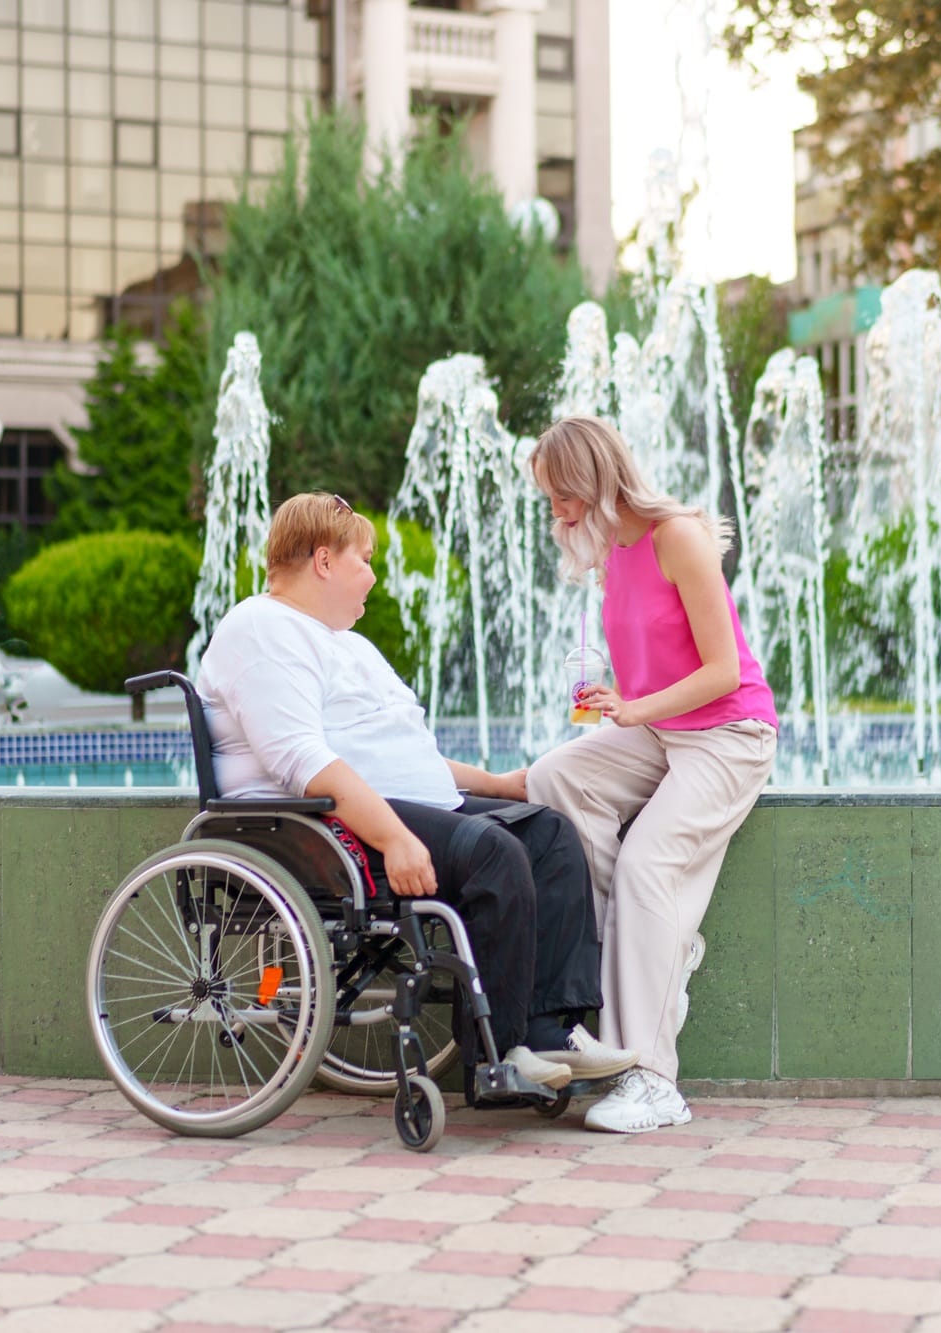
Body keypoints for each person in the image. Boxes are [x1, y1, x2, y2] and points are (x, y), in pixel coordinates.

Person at [195, 491, 635, 1092]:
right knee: (492, 853)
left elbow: (407, 754)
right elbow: (305, 761)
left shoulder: (345, 643)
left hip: (382, 809)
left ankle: (550, 1033)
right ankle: (502, 1057)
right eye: (364, 561)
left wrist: (502, 786)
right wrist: (396, 839)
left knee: (548, 833)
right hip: (320, 828)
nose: (373, 577)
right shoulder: (262, 628)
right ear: (323, 562)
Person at [525, 417, 778, 1133]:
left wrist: (633, 709)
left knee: (645, 865)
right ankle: (648, 938)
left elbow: (723, 671)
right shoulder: (613, 551)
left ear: (591, 479)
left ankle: (655, 1080)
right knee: (554, 778)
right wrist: (622, 703)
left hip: (729, 734)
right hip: (660, 729)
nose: (556, 513)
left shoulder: (677, 536)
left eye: (560, 496)